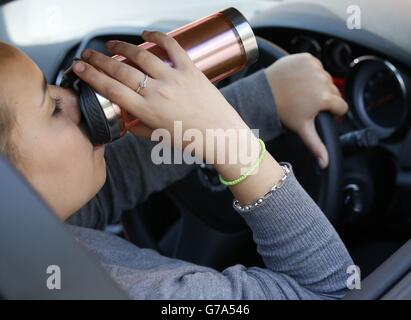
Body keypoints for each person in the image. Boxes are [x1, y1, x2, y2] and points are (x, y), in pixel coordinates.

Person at [0, 31, 352, 299]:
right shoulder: (132, 291)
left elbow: (113, 185)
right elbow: (329, 288)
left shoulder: (25, 241)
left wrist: (266, 98)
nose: (74, 98)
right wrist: (231, 143)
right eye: (53, 107)